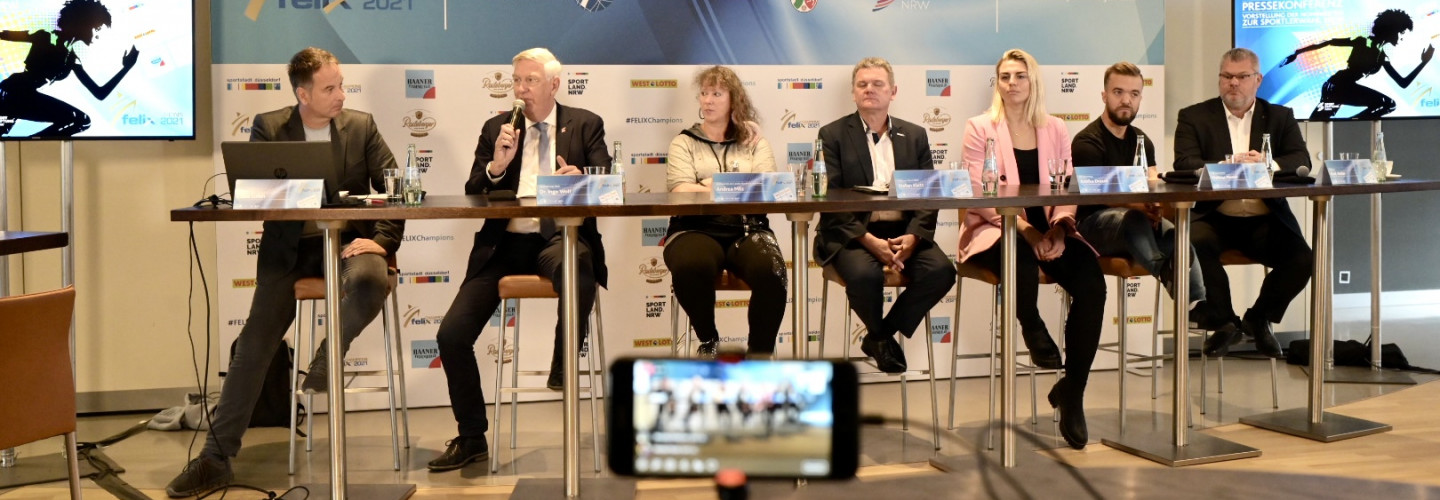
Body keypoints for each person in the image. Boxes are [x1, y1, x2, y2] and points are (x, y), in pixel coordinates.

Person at [165, 47, 404, 497]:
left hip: (349, 243)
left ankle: (329, 354)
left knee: (372, 280)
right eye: (329, 88)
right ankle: (215, 459)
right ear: (303, 94)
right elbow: (255, 196)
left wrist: (383, 239)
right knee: (253, 346)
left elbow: (397, 188)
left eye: (341, 85)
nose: (341, 95)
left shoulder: (362, 126)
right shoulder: (269, 127)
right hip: (289, 252)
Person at [429, 47, 610, 472]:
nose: (521, 89)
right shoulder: (498, 128)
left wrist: (582, 179)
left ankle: (563, 360)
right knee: (451, 335)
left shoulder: (585, 124)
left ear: (554, 85)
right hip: (503, 246)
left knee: (578, 268)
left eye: (530, 81)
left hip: (558, 238)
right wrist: (496, 166)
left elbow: (608, 186)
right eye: (516, 81)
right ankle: (472, 437)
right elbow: (474, 190)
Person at [958, 49, 1105, 450]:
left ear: (1033, 81)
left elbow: (1067, 187)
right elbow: (977, 191)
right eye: (1005, 76)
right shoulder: (979, 127)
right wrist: (1026, 230)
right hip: (996, 228)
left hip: (1051, 230)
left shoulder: (1055, 128)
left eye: (1019, 76)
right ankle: (1031, 324)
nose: (1011, 83)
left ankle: (1072, 391)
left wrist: (1058, 229)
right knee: (1018, 256)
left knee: (1092, 284)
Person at [1072, 62, 1237, 337]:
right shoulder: (1087, 141)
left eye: (1134, 94)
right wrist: (1140, 207)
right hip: (1093, 226)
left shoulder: (1142, 141)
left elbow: (1152, 184)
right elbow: (1098, 195)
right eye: (1118, 92)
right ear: (1104, 95)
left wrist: (1156, 207)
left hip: (1137, 223)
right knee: (1134, 218)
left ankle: (1197, 307)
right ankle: (1165, 271)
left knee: (1176, 234)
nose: (1126, 100)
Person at [814, 57, 956, 375]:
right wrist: (869, 241)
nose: (870, 89)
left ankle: (879, 336)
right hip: (853, 233)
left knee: (941, 272)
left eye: (878, 84)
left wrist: (915, 237)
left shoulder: (915, 135)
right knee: (866, 276)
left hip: (904, 231)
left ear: (893, 91)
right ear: (853, 92)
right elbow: (829, 197)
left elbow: (928, 192)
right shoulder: (832, 134)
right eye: (862, 84)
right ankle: (882, 339)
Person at [1174, 48, 1313, 359]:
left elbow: (1301, 159)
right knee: (1193, 243)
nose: (1233, 83)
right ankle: (1224, 322)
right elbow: (1184, 163)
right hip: (1216, 216)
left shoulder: (1279, 116)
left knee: (1303, 259)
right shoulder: (1194, 116)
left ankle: (1258, 318)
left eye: (1241, 77)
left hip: (1264, 218)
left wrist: (1268, 163)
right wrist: (1226, 165)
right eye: (1226, 76)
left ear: (1257, 80)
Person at [664, 65, 787, 358]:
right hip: (694, 228)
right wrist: (730, 185)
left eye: (717, 94)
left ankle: (759, 356)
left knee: (772, 270)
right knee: (691, 265)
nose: (708, 100)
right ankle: (709, 341)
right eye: (704, 93)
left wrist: (711, 184)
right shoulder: (684, 141)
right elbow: (679, 190)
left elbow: (766, 187)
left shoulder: (754, 142)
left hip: (748, 229)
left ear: (734, 100)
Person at [0, 0, 138, 137]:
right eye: (97, 29)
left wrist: (126, 68)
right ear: (84, 24)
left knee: (81, 120)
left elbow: (99, 93)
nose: (97, 35)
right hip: (12, 92)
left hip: (25, 97)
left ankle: (31, 144)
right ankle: (31, 144)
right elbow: (4, 34)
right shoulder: (46, 36)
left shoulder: (72, 58)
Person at [1279, 9, 1434, 120]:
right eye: (1402, 32)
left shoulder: (1382, 56)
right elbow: (1329, 42)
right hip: (1337, 85)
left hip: (1341, 88)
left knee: (1319, 120)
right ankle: (1351, 123)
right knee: (1317, 122)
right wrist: (1297, 53)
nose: (1402, 37)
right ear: (1392, 30)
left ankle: (1351, 123)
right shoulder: (1363, 41)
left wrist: (1424, 63)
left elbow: (1403, 83)